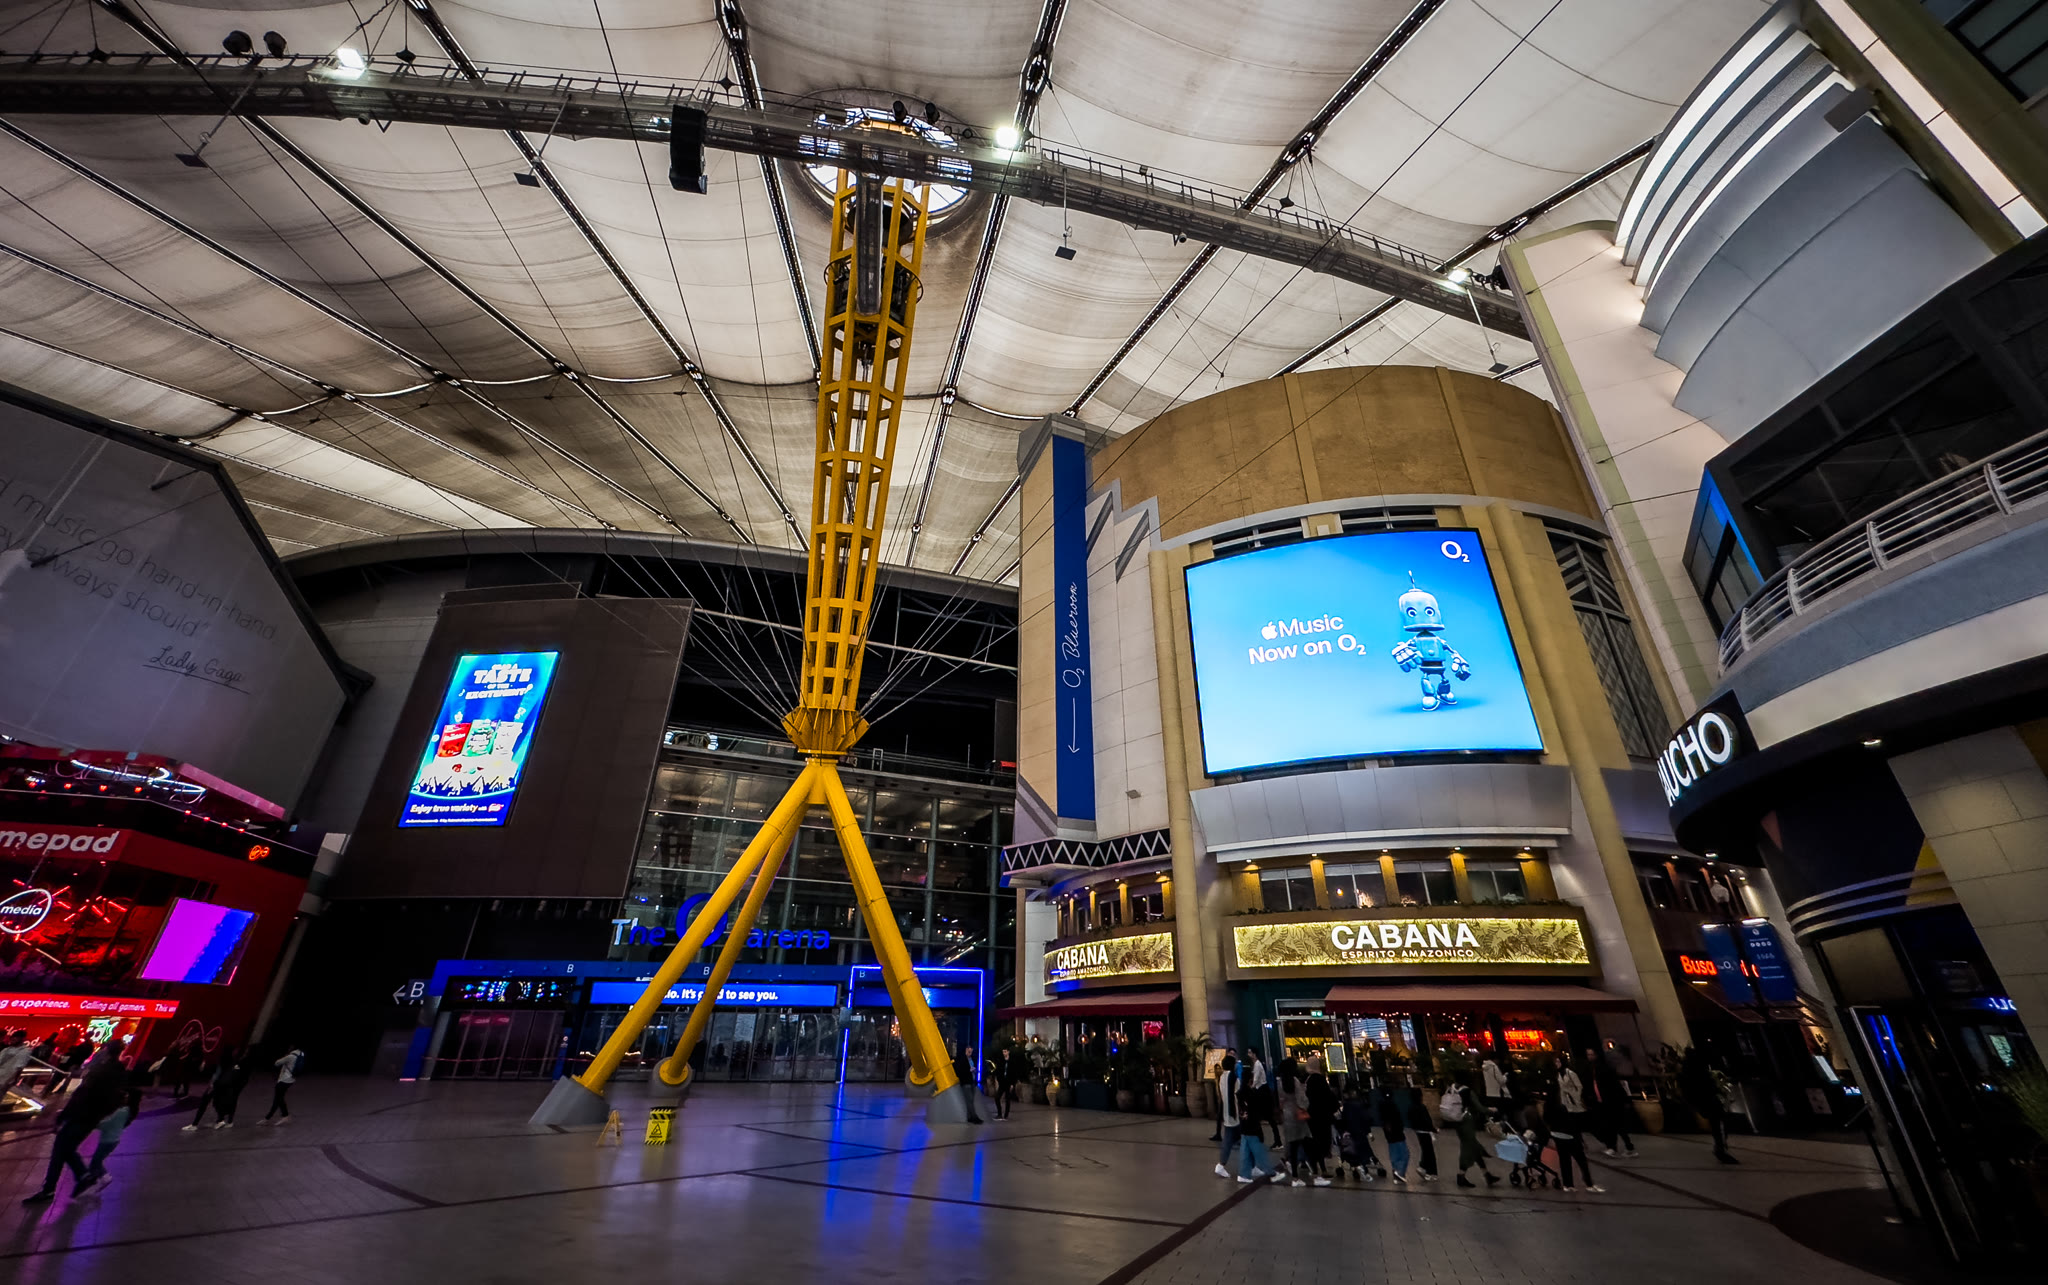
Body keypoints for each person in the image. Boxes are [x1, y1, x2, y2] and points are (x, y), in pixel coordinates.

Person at [22, 1046, 124, 1204]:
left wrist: (63, 1116)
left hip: (80, 1115)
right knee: (66, 1149)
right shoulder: (117, 1074)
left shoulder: (98, 1072)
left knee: (60, 1149)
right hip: (91, 1117)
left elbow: (80, 1096)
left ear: (107, 1053)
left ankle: (52, 1188)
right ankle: (82, 1177)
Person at [1552, 1055, 1603, 1192]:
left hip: (1575, 1104)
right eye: (1555, 1061)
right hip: (1566, 1106)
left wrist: (1574, 1095)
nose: (1556, 1063)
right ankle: (1575, 1183)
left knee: (1581, 1126)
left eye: (1558, 1061)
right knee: (1573, 1149)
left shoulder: (1570, 1073)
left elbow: (1579, 1087)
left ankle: (1580, 1182)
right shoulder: (1558, 1075)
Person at [1680, 1046, 1737, 1164]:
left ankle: (1720, 1147)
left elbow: (1687, 1088)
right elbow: (1707, 1083)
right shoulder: (1698, 1068)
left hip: (1702, 1100)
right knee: (1719, 1123)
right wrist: (1716, 1090)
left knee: (1716, 1124)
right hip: (1708, 1099)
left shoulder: (1686, 1069)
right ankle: (1721, 1148)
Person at [1442, 1073, 1500, 1189]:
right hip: (1466, 1121)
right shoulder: (1468, 1091)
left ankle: (1486, 1174)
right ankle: (1461, 1175)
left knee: (1473, 1146)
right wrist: (1492, 1111)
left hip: (1456, 1120)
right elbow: (1479, 1108)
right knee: (1468, 1147)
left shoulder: (1451, 1089)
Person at [1587, 1048, 1638, 1158]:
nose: (1589, 1057)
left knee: (1617, 1125)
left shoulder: (1603, 1068)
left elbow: (1614, 1085)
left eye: (1591, 1054)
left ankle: (1624, 1147)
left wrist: (1624, 1099)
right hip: (1604, 1101)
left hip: (1611, 1101)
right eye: (1588, 1055)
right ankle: (1617, 1147)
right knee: (1613, 1125)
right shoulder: (1595, 1068)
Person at [1277, 1059, 1319, 1185]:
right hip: (1298, 1115)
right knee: (1308, 1145)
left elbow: (1280, 1100)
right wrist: (1305, 1106)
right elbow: (1302, 1099)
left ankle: (1295, 1178)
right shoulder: (1294, 1081)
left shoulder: (1280, 1082)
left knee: (1293, 1148)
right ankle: (1316, 1175)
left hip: (1287, 1116)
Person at [185, 1047, 249, 1130]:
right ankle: (221, 1121)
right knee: (218, 1103)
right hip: (225, 1085)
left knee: (206, 1102)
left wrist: (212, 1084)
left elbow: (218, 1072)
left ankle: (195, 1124)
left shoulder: (227, 1060)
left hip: (219, 1084)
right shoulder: (234, 1061)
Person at [1304, 1056, 1339, 1185]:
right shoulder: (1320, 1079)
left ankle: (1315, 1168)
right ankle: (1321, 1169)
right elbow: (1328, 1097)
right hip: (1322, 1116)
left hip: (1311, 1116)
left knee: (1314, 1142)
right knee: (1322, 1141)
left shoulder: (1308, 1080)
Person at [1400, 1079, 1439, 1182]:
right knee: (1429, 1151)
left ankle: (1424, 1167)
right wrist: (1433, 1129)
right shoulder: (1421, 1107)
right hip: (1425, 1131)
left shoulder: (1411, 1108)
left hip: (1419, 1131)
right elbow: (1427, 1120)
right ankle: (1429, 1171)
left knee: (1426, 1150)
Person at [1377, 1079, 1410, 1184]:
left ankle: (1397, 1172)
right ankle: (1400, 1172)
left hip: (1390, 1135)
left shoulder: (1381, 1105)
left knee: (1394, 1154)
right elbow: (1396, 1118)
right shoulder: (1391, 1105)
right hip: (1397, 1133)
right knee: (1404, 1154)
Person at [262, 1043, 304, 1125]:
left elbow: (277, 1063)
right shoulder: (301, 1054)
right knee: (278, 1099)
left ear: (292, 1047)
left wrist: (285, 1056)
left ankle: (285, 1116)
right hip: (291, 1079)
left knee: (278, 1099)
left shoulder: (290, 1056)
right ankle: (268, 1118)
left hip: (284, 1080)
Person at [1207, 1046, 1232, 1142]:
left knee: (1227, 1117)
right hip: (1223, 1099)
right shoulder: (1221, 1078)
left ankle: (1232, 1136)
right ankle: (1219, 1134)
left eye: (1218, 1068)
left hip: (1226, 1099)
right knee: (1220, 1117)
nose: (1217, 1070)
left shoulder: (1226, 1076)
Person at [991, 1043, 1016, 1120]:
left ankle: (1006, 1115)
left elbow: (1014, 1073)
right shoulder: (1001, 1061)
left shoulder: (1012, 1061)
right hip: (1002, 1083)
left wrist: (1012, 1084)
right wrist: (998, 1080)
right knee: (997, 1098)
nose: (1004, 1053)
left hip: (1008, 1083)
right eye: (1003, 1052)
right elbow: (998, 1071)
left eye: (1005, 1052)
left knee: (1007, 1099)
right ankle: (999, 1113)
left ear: (1008, 1052)